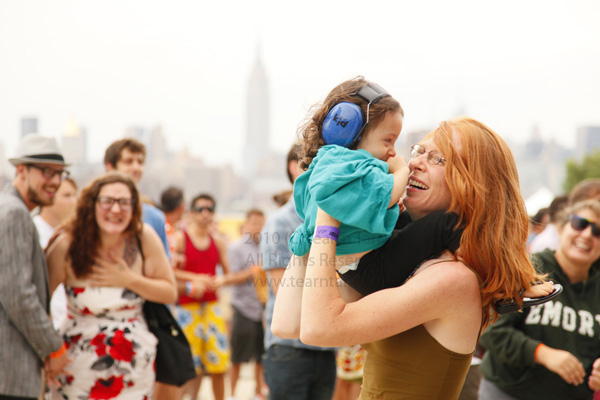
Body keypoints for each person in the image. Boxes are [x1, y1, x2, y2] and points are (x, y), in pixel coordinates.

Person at [273, 117, 550, 399]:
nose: (415, 163)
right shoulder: (408, 262)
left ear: (474, 184)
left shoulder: (452, 279)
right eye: (419, 151)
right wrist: (315, 219)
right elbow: (287, 323)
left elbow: (318, 329)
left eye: (438, 159)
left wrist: (328, 211)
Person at [45, 171, 177, 399]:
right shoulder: (68, 244)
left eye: (124, 202)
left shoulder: (143, 238)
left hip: (135, 371)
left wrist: (129, 280)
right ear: (92, 204)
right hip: (76, 368)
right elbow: (40, 301)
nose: (116, 209)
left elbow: (169, 292)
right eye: (107, 201)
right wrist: (52, 350)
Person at [478, 199, 600, 400]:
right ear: (560, 229)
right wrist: (541, 353)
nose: (587, 234)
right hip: (508, 391)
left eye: (598, 232)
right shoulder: (527, 268)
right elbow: (491, 329)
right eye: (579, 223)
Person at [104, 138, 182, 398]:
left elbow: (165, 278)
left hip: (142, 319)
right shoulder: (88, 213)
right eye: (128, 161)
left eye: (140, 161)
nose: (136, 167)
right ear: (110, 166)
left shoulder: (153, 217)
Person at [261, 143, 338, 400]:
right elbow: (281, 289)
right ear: (295, 168)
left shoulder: (333, 217)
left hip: (325, 345)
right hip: (289, 348)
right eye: (315, 163)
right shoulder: (280, 222)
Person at [0, 134, 69, 399]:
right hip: (10, 371)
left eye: (60, 173)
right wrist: (54, 347)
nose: (55, 181)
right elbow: (17, 294)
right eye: (46, 172)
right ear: (21, 171)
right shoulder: (14, 213)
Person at [172, 193, 231, 400]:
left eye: (209, 209)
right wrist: (195, 279)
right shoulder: (181, 239)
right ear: (191, 212)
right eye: (200, 209)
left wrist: (221, 280)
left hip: (212, 307)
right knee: (188, 365)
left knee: (219, 364)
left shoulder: (218, 242)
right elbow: (169, 271)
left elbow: (227, 274)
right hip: (187, 308)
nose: (205, 214)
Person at [220, 209, 267, 400]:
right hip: (243, 308)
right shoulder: (236, 247)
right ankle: (232, 394)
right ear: (246, 225)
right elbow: (230, 277)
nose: (258, 227)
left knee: (261, 356)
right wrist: (253, 271)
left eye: (261, 223)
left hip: (262, 309)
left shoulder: (267, 245)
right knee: (237, 356)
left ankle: (258, 392)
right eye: (255, 223)